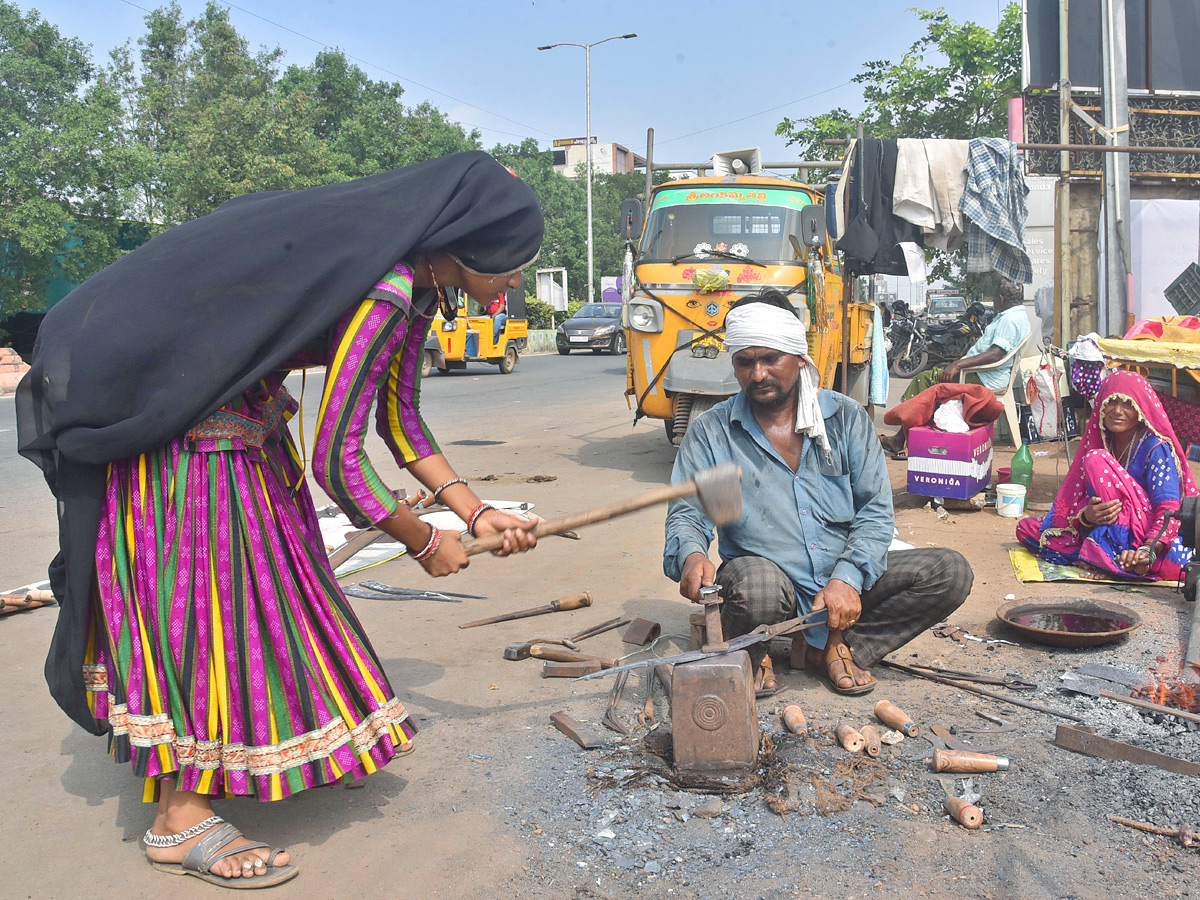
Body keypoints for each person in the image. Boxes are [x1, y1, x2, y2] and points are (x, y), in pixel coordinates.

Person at [16, 152, 544, 888]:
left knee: (279, 601)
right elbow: (338, 457)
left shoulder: (413, 284)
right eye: (514, 265)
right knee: (210, 618)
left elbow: (400, 416)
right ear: (466, 247)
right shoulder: (386, 285)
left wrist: (475, 509)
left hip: (243, 437)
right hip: (187, 452)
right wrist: (424, 541)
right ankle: (178, 817)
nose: (517, 282)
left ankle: (274, 749)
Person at [663, 290, 973, 696]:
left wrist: (846, 579)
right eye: (745, 362)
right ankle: (755, 650)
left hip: (842, 588)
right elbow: (691, 515)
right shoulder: (717, 433)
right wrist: (691, 554)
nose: (758, 374)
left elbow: (875, 514)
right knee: (757, 588)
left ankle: (835, 646)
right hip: (767, 589)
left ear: (799, 356)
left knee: (949, 572)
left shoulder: (845, 418)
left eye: (770, 359)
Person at [1016, 370, 1197, 581]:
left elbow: (1168, 510)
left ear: (1141, 409)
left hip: (1149, 536)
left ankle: (1119, 558)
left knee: (1096, 459)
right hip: (1104, 530)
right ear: (1101, 405)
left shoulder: (1155, 447)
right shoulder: (1102, 440)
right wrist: (1087, 517)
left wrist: (1148, 548)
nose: (1118, 411)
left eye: (1128, 404)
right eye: (1111, 402)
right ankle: (1113, 558)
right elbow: (1082, 505)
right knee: (1028, 529)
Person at [880, 277, 1029, 455]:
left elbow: (995, 354)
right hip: (988, 373)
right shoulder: (1020, 316)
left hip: (983, 377)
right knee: (934, 376)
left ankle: (903, 439)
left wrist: (958, 364)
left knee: (926, 379)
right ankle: (903, 437)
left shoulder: (1009, 320)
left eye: (996, 297)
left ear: (1002, 298)